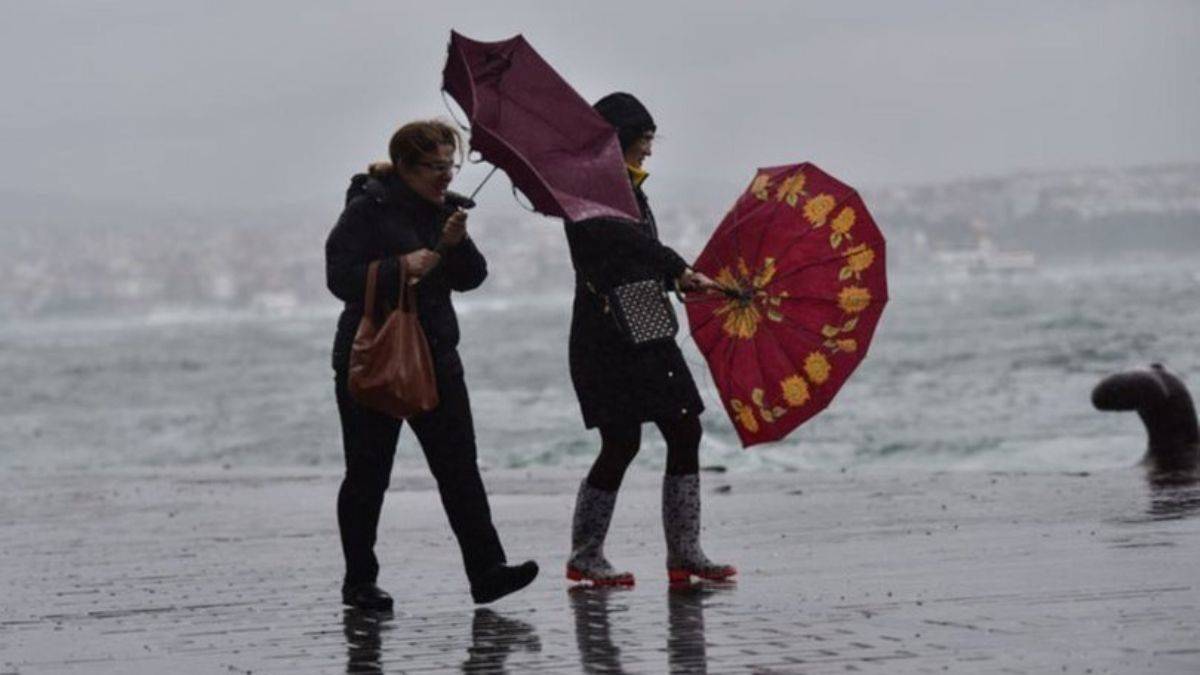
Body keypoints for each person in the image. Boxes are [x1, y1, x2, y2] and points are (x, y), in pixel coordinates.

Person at [325, 120, 538, 609]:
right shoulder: (367, 209)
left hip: (437, 354)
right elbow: (339, 277)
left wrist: (455, 242)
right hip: (375, 356)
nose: (445, 176)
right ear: (404, 166)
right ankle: (359, 581)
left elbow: (472, 277)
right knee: (368, 473)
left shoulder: (447, 210)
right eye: (434, 167)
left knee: (459, 468)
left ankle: (487, 571)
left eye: (450, 165)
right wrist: (401, 267)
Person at [562, 93, 737, 586]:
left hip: (644, 323)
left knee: (683, 429)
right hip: (607, 335)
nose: (650, 149)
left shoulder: (628, 190)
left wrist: (676, 279)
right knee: (622, 441)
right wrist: (678, 267)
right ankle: (587, 555)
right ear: (618, 137)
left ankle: (684, 554)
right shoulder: (586, 192)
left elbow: (636, 254)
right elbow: (624, 242)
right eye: (643, 138)